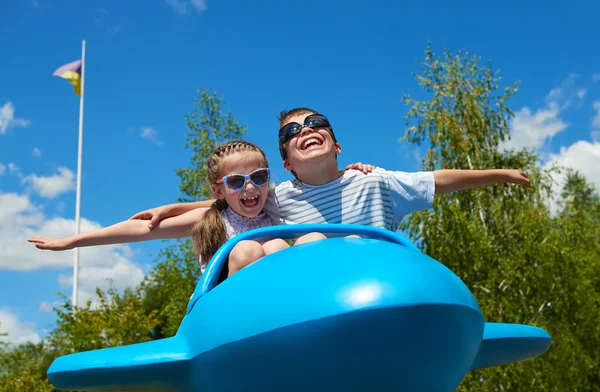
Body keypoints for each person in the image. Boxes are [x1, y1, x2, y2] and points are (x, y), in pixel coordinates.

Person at [129, 108, 532, 233]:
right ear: (285, 164)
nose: (306, 130)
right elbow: (227, 200)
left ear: (336, 144)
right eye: (292, 131)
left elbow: (438, 180)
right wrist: (170, 207)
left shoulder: (372, 180)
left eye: (316, 123)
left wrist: (499, 173)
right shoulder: (278, 197)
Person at [28, 140, 376, 278]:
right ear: (219, 190)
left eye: (258, 177)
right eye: (238, 182)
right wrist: (71, 241)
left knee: (312, 236)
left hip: (283, 293)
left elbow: (316, 184)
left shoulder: (273, 202)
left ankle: (314, 309)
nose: (251, 188)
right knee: (251, 247)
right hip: (227, 304)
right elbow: (139, 229)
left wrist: (348, 172)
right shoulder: (213, 216)